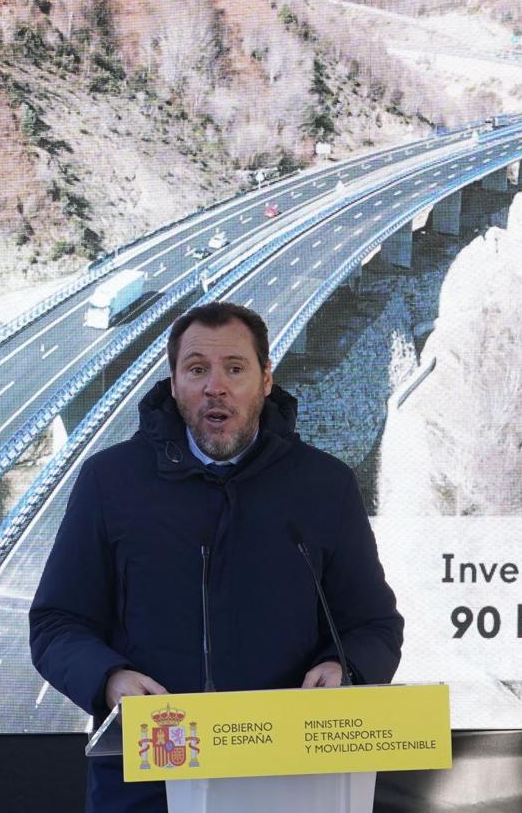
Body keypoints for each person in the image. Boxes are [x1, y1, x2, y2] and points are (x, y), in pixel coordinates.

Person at [29, 301, 404, 812]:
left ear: (266, 379)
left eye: (235, 368)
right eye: (198, 369)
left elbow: (374, 625)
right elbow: (57, 623)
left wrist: (347, 668)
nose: (215, 386)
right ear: (175, 382)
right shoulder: (109, 481)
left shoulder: (325, 486)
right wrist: (108, 678)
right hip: (149, 780)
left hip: (288, 774)